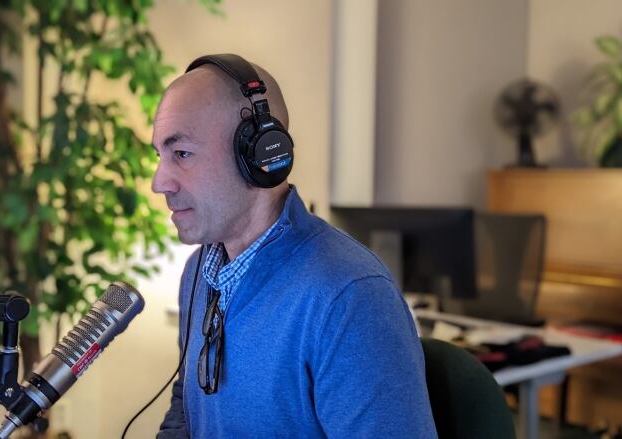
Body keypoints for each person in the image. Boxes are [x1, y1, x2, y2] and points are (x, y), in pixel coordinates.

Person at [152, 54, 435, 438]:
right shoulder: (200, 274)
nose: (159, 182)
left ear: (258, 155)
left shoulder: (349, 298)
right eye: (160, 157)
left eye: (181, 154)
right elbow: (185, 412)